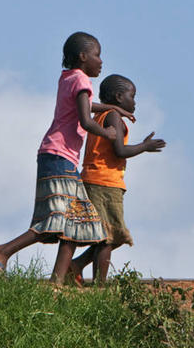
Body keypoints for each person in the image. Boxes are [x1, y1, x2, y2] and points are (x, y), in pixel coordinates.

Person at [0, 32, 132, 284]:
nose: (101, 61)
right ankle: (2, 251)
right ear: (83, 57)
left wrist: (112, 108)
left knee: (76, 222)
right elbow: (86, 120)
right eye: (97, 55)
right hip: (59, 156)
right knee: (54, 220)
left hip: (58, 157)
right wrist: (107, 131)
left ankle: (57, 282)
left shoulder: (69, 78)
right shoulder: (82, 80)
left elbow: (85, 106)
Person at [69, 74, 166, 284]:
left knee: (107, 235)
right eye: (133, 96)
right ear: (119, 96)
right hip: (104, 183)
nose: (135, 101)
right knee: (110, 237)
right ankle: (100, 286)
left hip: (95, 180)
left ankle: (75, 266)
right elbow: (120, 150)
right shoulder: (113, 116)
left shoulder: (101, 117)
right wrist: (144, 147)